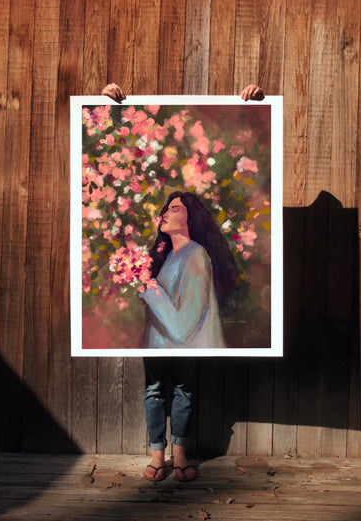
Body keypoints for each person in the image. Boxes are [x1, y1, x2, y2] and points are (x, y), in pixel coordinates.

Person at [102, 83, 265, 482]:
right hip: (158, 346)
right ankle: (157, 456)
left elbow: (182, 323)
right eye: (166, 208)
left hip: (185, 342)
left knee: (184, 390)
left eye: (175, 208)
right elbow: (158, 312)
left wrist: (147, 288)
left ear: (189, 218)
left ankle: (180, 459)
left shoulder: (195, 256)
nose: (166, 213)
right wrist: (109, 99)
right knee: (156, 390)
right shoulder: (164, 256)